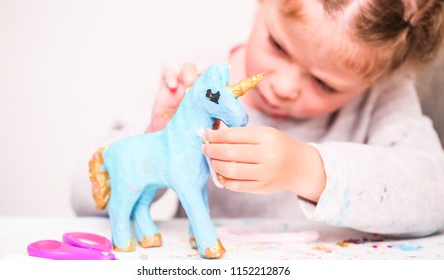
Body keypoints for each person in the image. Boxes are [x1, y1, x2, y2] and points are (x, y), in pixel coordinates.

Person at [72, 0, 444, 236]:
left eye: (324, 84)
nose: (283, 87)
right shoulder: (197, 77)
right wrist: (157, 137)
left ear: (375, 79)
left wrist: (307, 168)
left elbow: (435, 196)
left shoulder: (381, 99)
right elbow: (83, 196)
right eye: (278, 46)